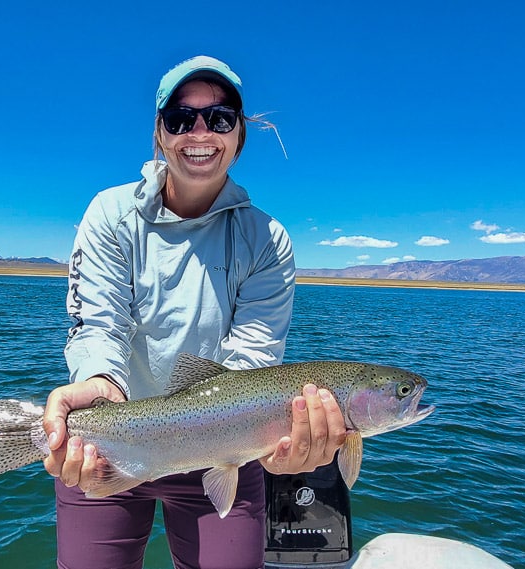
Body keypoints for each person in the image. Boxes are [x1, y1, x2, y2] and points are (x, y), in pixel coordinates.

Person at [43, 55, 348, 569]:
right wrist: (99, 382)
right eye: (181, 119)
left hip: (225, 451)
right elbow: (100, 324)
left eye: (220, 118)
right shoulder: (109, 215)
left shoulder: (267, 241)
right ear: (160, 134)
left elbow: (251, 362)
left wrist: (274, 438)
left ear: (239, 134)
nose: (199, 132)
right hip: (109, 443)